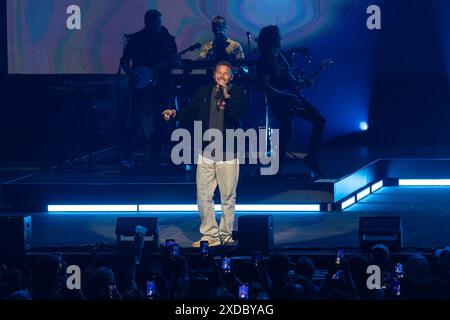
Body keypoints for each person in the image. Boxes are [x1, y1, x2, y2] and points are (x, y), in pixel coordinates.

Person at [163, 61, 246, 247]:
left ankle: (225, 236)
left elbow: (237, 113)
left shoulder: (237, 92)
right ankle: (209, 235)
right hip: (206, 151)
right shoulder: (203, 92)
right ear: (214, 74)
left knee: (227, 197)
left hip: (228, 152)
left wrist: (227, 96)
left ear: (231, 77)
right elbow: (190, 112)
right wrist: (175, 113)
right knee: (203, 195)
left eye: (226, 74)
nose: (222, 76)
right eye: (219, 72)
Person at [256, 25, 326, 177]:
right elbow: (265, 86)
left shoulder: (282, 55)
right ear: (272, 39)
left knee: (319, 120)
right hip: (278, 100)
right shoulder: (264, 59)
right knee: (287, 129)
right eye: (278, 36)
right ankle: (277, 166)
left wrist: (306, 81)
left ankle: (312, 157)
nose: (281, 38)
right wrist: (284, 95)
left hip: (292, 97)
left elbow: (292, 80)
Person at [120, 9, 180, 166]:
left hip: (162, 84)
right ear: (146, 23)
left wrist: (175, 61)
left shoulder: (168, 39)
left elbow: (176, 62)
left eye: (158, 23)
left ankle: (156, 156)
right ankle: (129, 155)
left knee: (161, 120)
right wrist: (132, 73)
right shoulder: (136, 39)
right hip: (140, 85)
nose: (155, 26)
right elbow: (125, 60)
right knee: (135, 118)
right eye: (152, 23)